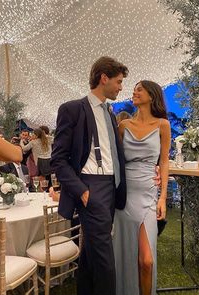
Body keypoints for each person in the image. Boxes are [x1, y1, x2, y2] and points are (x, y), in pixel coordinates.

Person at [50, 56, 129, 295]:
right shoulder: (72, 109)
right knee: (105, 258)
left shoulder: (109, 112)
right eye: (118, 81)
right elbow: (58, 159)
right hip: (91, 187)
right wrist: (82, 190)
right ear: (103, 78)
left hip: (111, 187)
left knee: (91, 251)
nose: (120, 87)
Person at [113, 80, 171, 295]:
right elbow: (116, 162)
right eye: (134, 89)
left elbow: (164, 162)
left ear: (152, 95)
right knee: (126, 254)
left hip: (148, 194)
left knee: (146, 260)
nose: (134, 92)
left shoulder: (162, 125)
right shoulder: (123, 126)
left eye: (139, 89)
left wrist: (163, 196)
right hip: (125, 195)